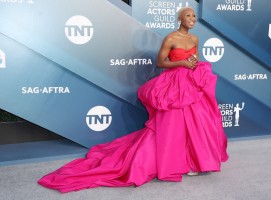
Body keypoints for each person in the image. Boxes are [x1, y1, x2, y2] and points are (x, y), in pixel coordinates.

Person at [38, 7, 228, 193]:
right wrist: (182, 62)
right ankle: (175, 161)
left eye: (194, 16)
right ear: (180, 19)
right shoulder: (171, 38)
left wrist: (193, 64)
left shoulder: (194, 38)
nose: (192, 19)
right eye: (188, 15)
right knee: (173, 126)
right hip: (174, 85)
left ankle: (192, 160)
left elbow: (195, 59)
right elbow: (161, 62)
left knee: (196, 123)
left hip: (191, 85)